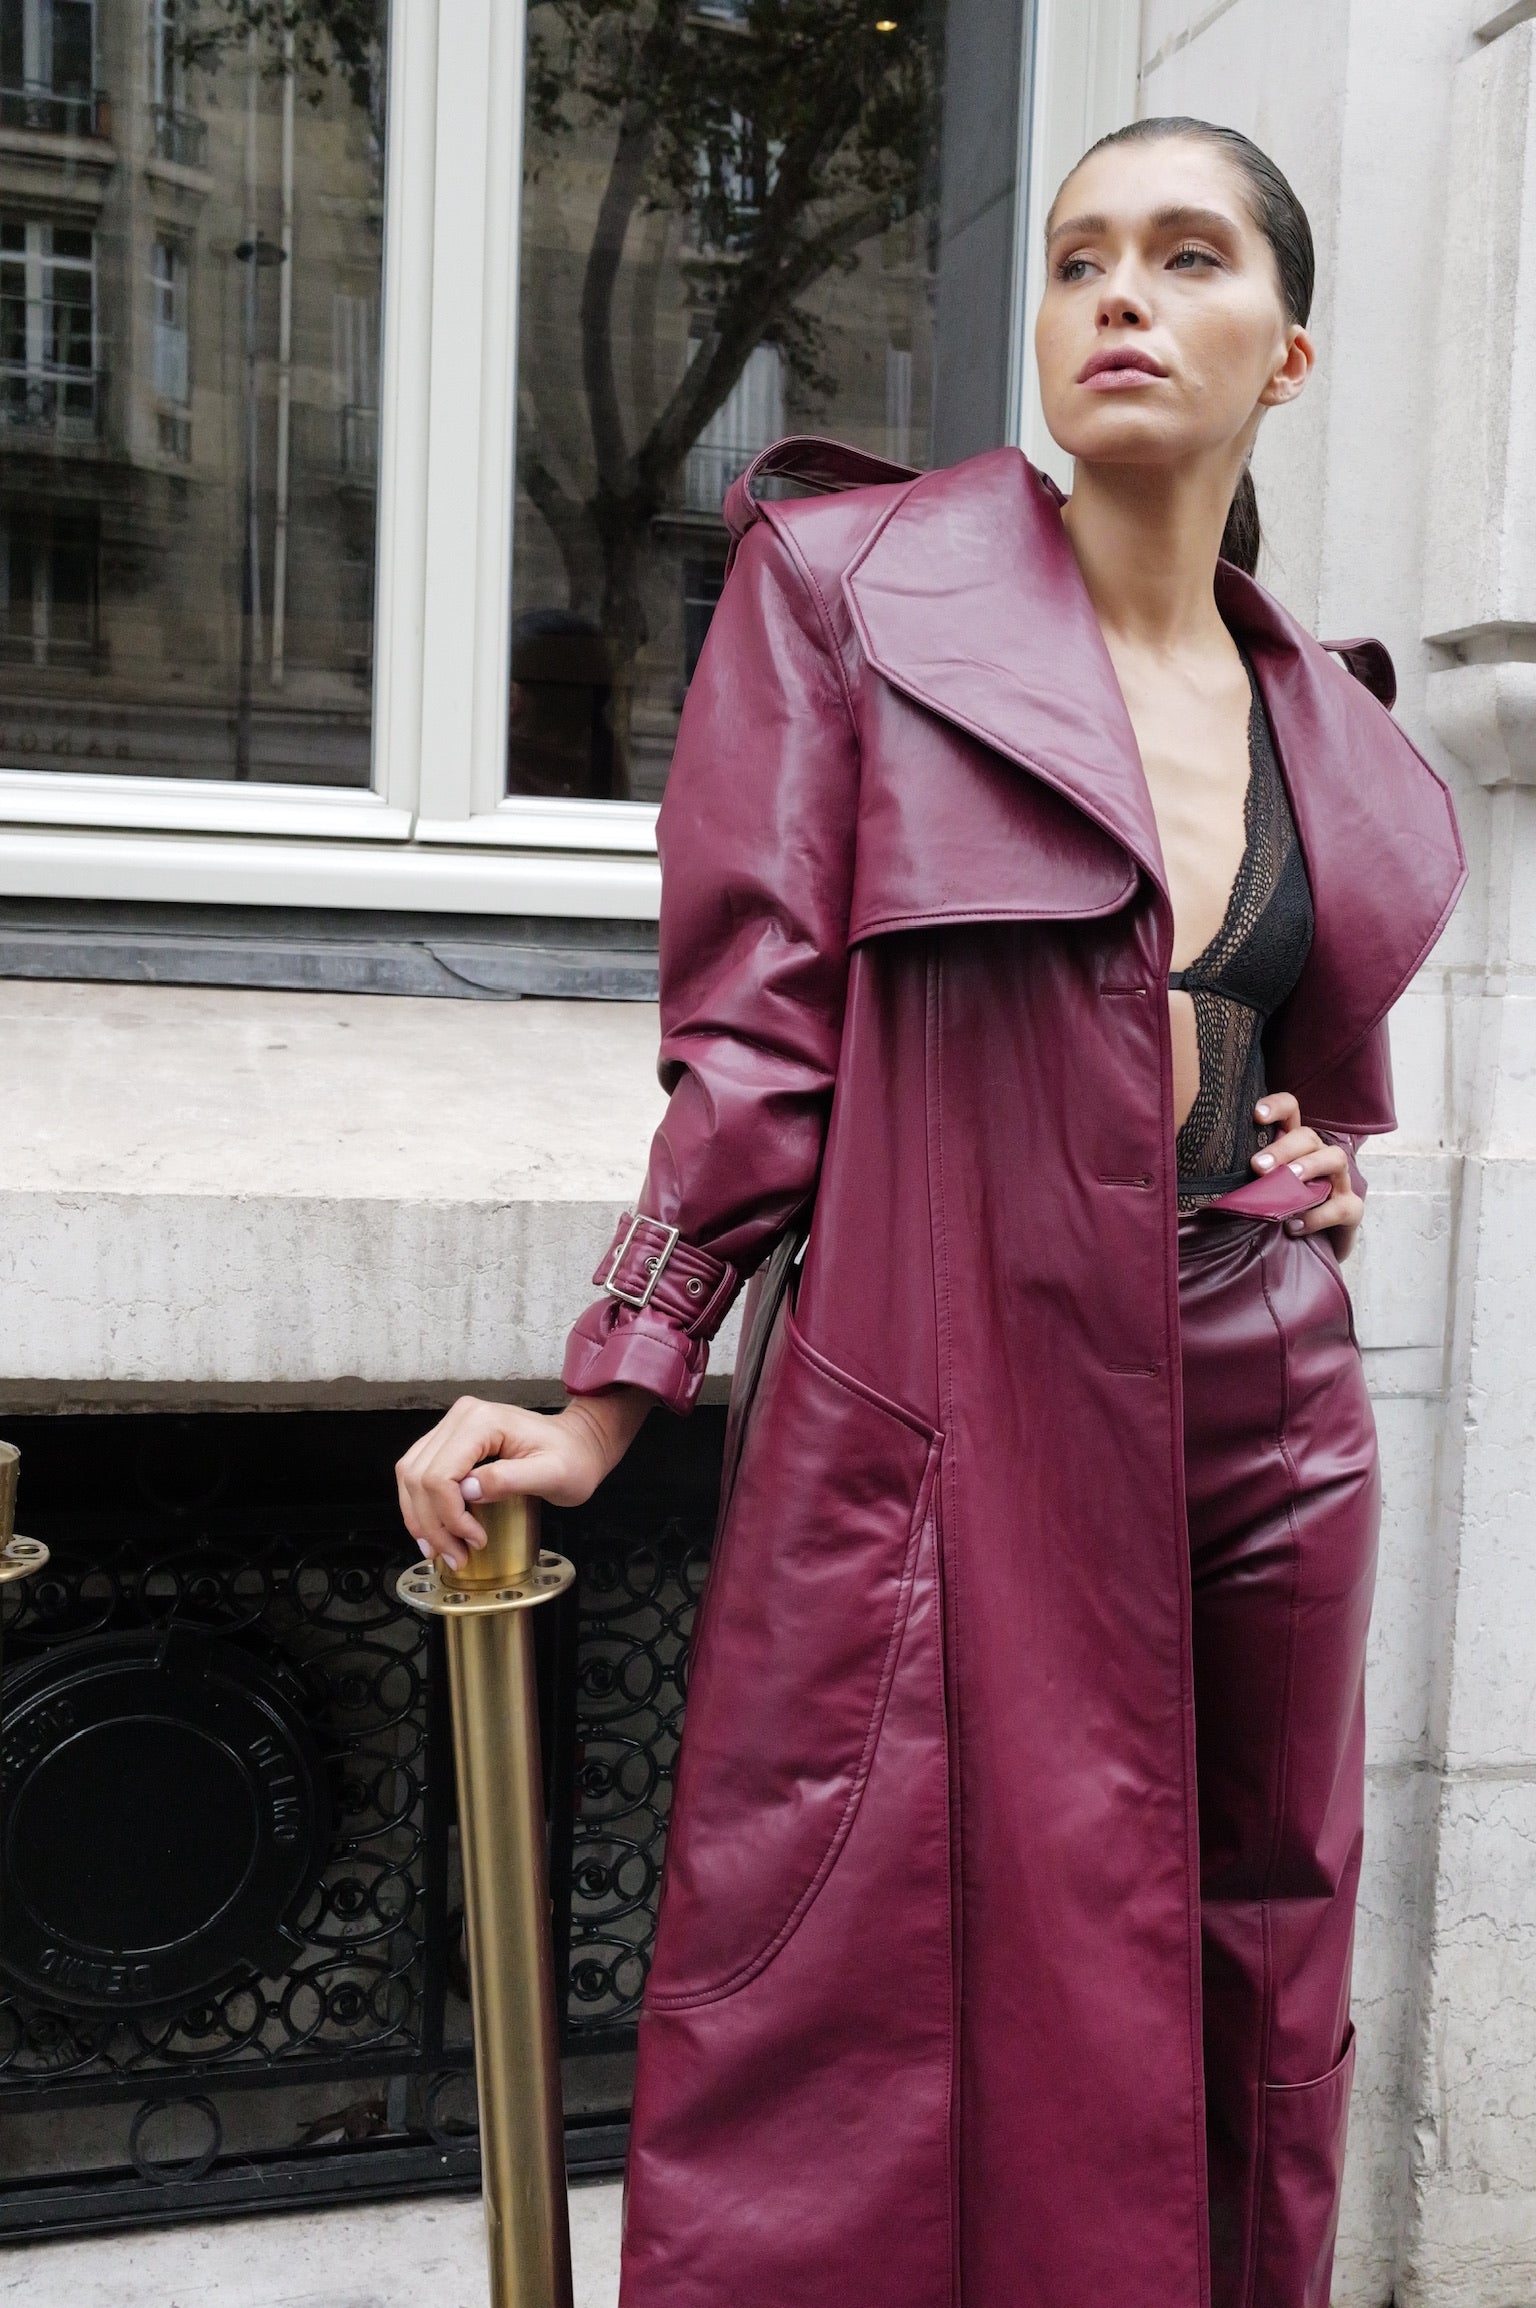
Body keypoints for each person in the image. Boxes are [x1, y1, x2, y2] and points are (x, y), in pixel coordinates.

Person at [398, 118, 1465, 2308]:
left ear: (1289, 353)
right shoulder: (855, 595)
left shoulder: (1329, 720)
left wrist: (1314, 1167)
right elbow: (753, 1040)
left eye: (1189, 256)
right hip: (946, 1406)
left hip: (1268, 1416)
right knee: (857, 2010)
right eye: (1079, 258)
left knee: (1255, 1962)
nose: (1120, 294)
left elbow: (1309, 1065)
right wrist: (609, 1391)